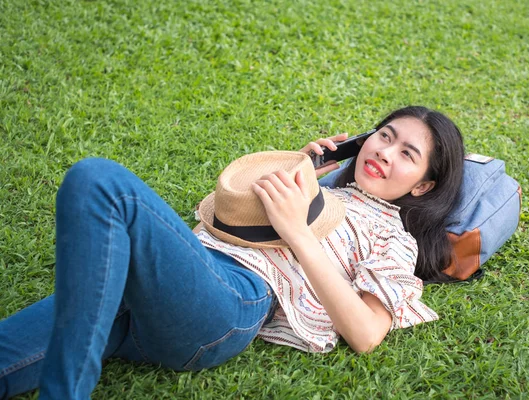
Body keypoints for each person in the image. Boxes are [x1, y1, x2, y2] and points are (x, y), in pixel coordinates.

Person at [0, 105, 464, 399]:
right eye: (385, 135)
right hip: (150, 289)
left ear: (423, 185)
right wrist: (298, 169)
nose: (386, 151)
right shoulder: (323, 190)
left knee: (99, 182)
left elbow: (365, 335)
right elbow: (224, 224)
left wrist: (299, 232)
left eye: (408, 153)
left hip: (230, 302)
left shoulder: (394, 239)